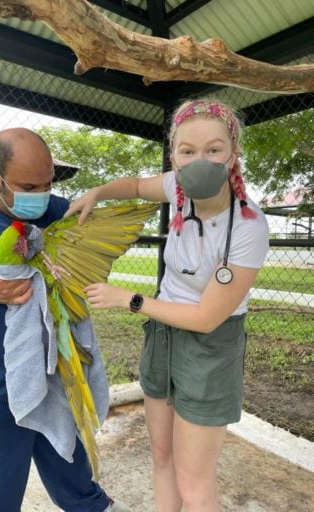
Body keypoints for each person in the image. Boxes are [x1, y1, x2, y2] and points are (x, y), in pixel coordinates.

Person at [65, 98, 270, 512]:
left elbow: (207, 317)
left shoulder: (249, 225)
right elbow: (135, 186)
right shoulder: (176, 189)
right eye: (187, 151)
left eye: (214, 150)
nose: (200, 161)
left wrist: (130, 300)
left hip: (209, 348)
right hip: (163, 336)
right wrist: (98, 192)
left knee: (194, 484)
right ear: (174, 156)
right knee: (161, 457)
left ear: (233, 155)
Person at [0, 128, 131, 512]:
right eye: (28, 186)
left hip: (55, 371)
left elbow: (88, 268)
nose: (40, 196)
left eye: (47, 184)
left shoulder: (57, 211)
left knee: (74, 471)